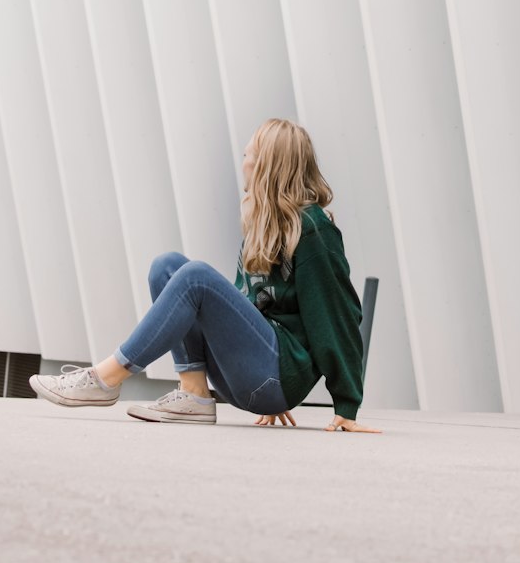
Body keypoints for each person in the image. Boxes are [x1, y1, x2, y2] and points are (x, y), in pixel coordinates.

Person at [29, 118, 382, 433]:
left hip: (274, 375)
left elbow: (337, 316)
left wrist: (346, 404)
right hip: (253, 374)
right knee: (167, 267)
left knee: (196, 276)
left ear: (268, 166)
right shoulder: (263, 227)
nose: (243, 163)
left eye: (249, 155)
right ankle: (194, 395)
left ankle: (104, 379)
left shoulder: (313, 231)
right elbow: (248, 310)